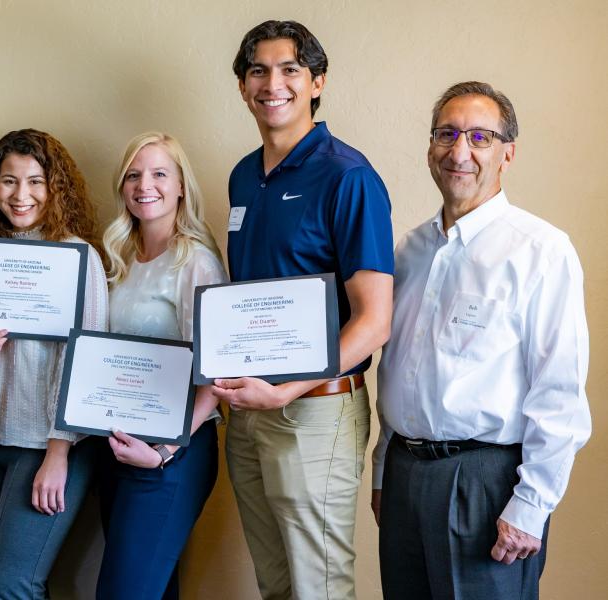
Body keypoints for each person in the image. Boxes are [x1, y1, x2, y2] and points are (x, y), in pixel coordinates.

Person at [372, 81, 591, 600]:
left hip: (485, 486)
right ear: (430, 149)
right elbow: (395, 367)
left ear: (507, 153)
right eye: (446, 134)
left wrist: (531, 507)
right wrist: (383, 471)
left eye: (479, 137)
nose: (459, 151)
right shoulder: (409, 250)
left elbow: (558, 392)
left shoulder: (541, 251)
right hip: (404, 476)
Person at [212, 20, 395, 600]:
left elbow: (374, 320)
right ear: (243, 87)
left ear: (316, 82)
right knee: (277, 585)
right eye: (258, 71)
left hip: (313, 412)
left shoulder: (348, 176)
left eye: (290, 69)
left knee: (319, 587)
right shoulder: (244, 176)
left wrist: (286, 389)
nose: (273, 84)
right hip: (247, 415)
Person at [0, 128, 108, 599]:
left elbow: (80, 358)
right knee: (4, 578)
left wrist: (58, 450)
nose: (20, 195)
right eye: (8, 181)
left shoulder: (77, 255)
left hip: (45, 445)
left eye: (35, 181)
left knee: (14, 584)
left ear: (55, 187)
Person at [95, 132, 227, 599]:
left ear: (180, 188)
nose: (143, 184)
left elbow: (215, 374)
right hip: (117, 448)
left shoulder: (197, 262)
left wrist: (167, 449)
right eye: (133, 174)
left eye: (158, 173)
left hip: (173, 453)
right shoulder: (119, 259)